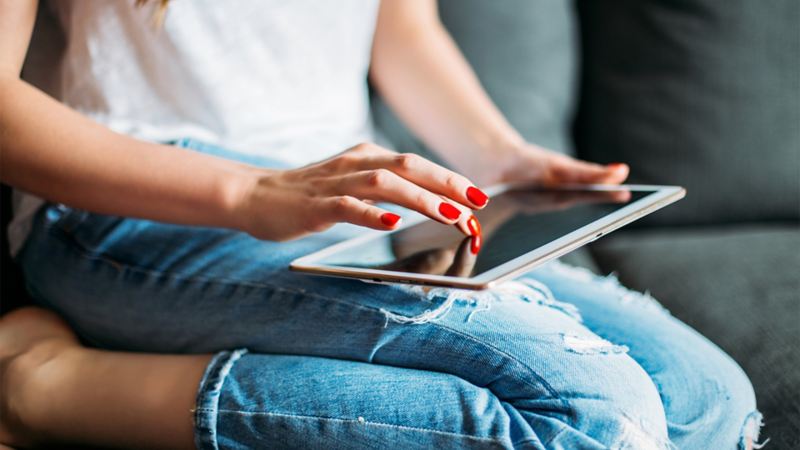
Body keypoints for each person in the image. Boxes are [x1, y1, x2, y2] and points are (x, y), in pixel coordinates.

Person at [0, 0, 762, 448]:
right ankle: (53, 385)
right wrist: (250, 193)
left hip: (344, 205)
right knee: (597, 416)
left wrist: (501, 157)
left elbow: (398, 23)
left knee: (706, 399)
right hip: (131, 211)